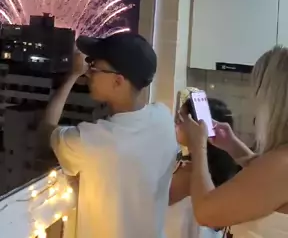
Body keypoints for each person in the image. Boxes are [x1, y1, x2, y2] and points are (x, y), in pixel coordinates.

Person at [38, 32, 178, 238]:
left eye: (95, 68)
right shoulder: (163, 118)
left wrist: (72, 76)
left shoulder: (92, 140)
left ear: (118, 81)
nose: (88, 73)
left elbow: (46, 131)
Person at [179, 45, 288, 237]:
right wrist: (232, 146)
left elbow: (206, 213)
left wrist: (198, 147)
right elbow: (266, 178)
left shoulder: (283, 163)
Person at [166, 89, 239, 238]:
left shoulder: (191, 175)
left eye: (179, 120)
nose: (175, 125)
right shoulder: (216, 169)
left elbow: (154, 198)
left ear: (197, 128)